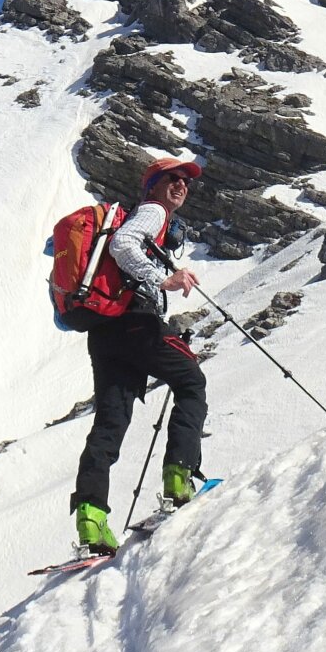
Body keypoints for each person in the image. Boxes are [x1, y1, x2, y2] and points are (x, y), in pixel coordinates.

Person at [70, 158, 209, 553]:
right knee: (191, 380)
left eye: (186, 182)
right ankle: (179, 479)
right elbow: (121, 244)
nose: (181, 186)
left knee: (110, 423)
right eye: (173, 179)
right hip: (135, 323)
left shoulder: (151, 218)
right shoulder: (152, 212)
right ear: (153, 185)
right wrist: (162, 278)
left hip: (104, 333)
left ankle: (92, 522)